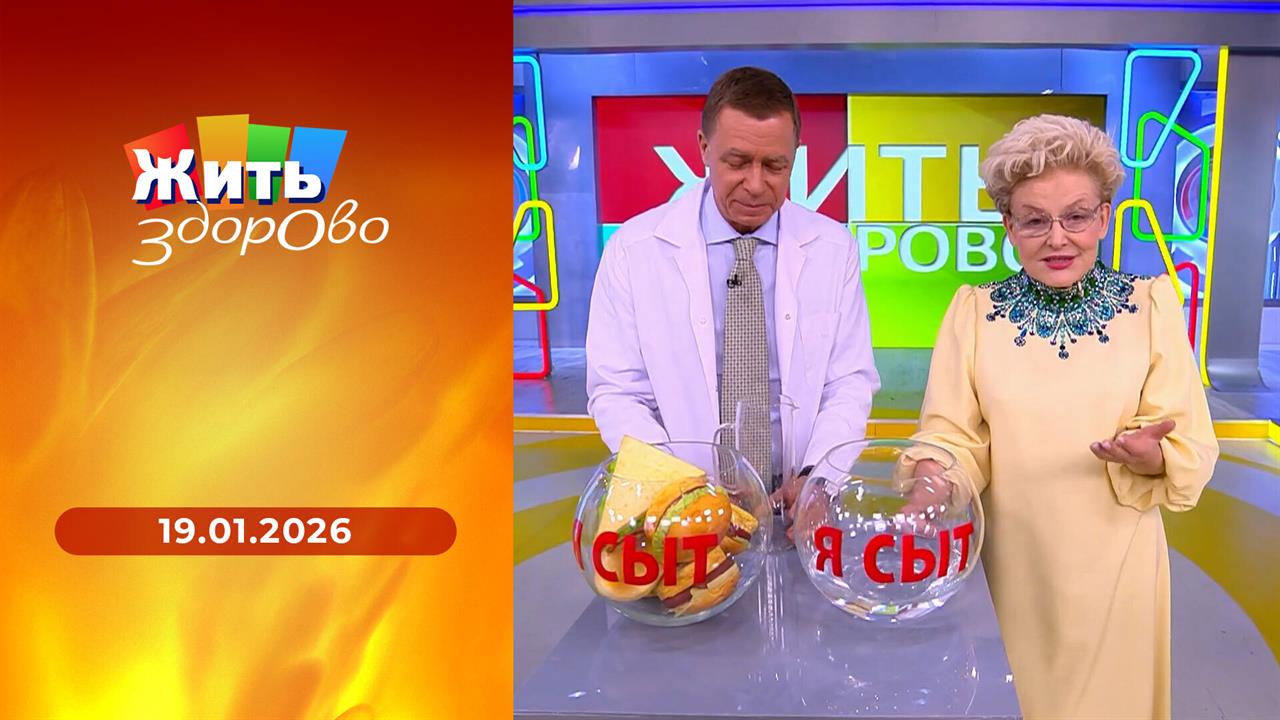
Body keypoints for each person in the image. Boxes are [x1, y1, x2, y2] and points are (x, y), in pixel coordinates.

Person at [904, 114, 1218, 719]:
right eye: (1034, 220)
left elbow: (1189, 441)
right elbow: (952, 436)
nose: (1058, 238)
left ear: (1104, 217)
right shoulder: (974, 314)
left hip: (1119, 566)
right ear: (1008, 226)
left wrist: (1152, 455)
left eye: (1076, 216)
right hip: (1013, 570)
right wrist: (931, 482)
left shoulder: (1150, 306)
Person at [585, 66, 879, 502]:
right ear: (704, 148)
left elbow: (849, 383)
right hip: (680, 502)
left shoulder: (834, 249)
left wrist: (817, 479)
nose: (756, 185)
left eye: (775, 165)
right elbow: (617, 392)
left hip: (800, 500)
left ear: (795, 156)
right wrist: (681, 493)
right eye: (737, 162)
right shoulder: (634, 250)